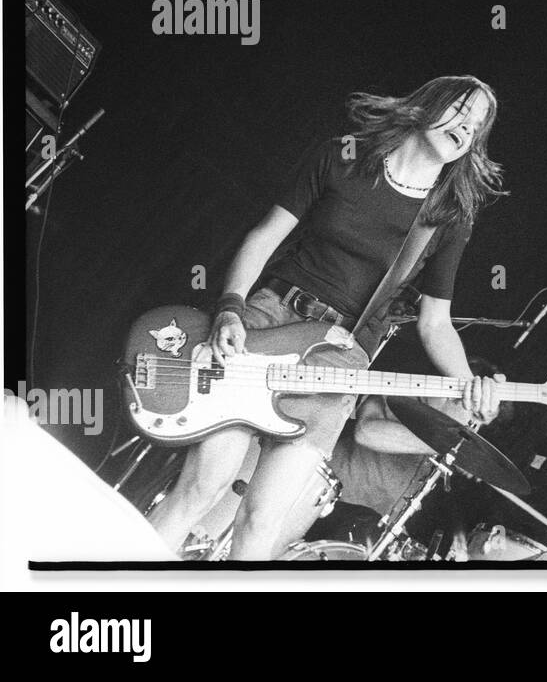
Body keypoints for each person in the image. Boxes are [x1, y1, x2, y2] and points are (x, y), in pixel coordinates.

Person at [147, 75, 507, 559]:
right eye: (461, 111)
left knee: (261, 521)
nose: (466, 128)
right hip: (270, 320)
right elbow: (264, 236)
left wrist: (469, 382)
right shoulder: (343, 157)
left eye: (478, 127)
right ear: (427, 105)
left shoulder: (447, 215)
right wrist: (231, 308)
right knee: (200, 488)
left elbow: (435, 321)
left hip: (338, 359)